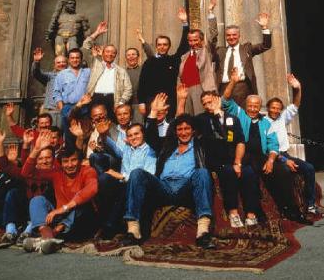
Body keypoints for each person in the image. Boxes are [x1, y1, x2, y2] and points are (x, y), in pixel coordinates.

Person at [222, 68, 310, 224]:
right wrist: (233, 81)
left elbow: (273, 144)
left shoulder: (265, 123)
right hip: (244, 156)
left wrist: (270, 161)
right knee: (251, 175)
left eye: (256, 106)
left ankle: (292, 211)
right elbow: (225, 100)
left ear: (260, 107)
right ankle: (258, 213)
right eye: (250, 105)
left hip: (262, 157)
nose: (253, 108)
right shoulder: (240, 114)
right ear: (246, 105)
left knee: (282, 171)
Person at [121, 114, 215, 249]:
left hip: (185, 187)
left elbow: (218, 140)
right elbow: (150, 136)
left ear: (193, 130)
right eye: (180, 129)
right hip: (163, 187)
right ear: (175, 132)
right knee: (137, 173)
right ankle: (133, 231)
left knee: (202, 172)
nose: (183, 132)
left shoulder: (201, 146)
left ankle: (203, 233)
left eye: (187, 129)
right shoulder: (167, 146)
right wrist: (153, 113)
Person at [189, 88, 261, 228]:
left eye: (210, 101)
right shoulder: (201, 119)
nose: (207, 105)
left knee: (250, 173)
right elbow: (221, 139)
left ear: (217, 100)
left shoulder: (232, 118)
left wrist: (238, 162)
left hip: (233, 158)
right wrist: (216, 115)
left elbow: (240, 141)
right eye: (204, 103)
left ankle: (251, 214)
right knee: (228, 172)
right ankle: (233, 213)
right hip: (217, 160)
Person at [21, 132, 99, 254]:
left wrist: (64, 208)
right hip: (60, 217)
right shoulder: (56, 173)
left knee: (82, 205)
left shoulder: (88, 170)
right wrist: (36, 150)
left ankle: (50, 236)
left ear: (80, 161)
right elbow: (26, 173)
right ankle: (47, 235)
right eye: (65, 161)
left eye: (73, 160)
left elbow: (92, 189)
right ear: (61, 163)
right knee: (37, 200)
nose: (69, 165)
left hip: (80, 219)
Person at [0, 127, 55, 248]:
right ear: (35, 161)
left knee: (39, 200)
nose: (44, 161)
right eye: (40, 158)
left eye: (48, 158)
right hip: (25, 211)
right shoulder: (30, 172)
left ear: (54, 159)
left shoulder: (56, 173)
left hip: (47, 214)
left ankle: (28, 232)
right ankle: (10, 232)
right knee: (13, 193)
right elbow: (5, 167)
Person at [266, 74, 318, 215]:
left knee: (309, 168)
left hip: (285, 154)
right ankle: (287, 208)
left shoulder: (282, 118)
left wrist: (297, 88)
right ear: (268, 108)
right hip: (273, 156)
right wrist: (284, 160)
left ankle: (311, 204)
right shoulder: (263, 122)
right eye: (273, 108)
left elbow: (295, 104)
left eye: (278, 108)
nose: (275, 110)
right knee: (286, 172)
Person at [99, 122, 157, 239]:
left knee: (123, 191)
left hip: (140, 187)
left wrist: (121, 176)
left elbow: (148, 176)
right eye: (130, 135)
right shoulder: (127, 148)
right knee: (104, 179)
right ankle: (102, 223)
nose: (133, 137)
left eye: (136, 134)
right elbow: (114, 148)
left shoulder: (150, 151)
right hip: (123, 184)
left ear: (143, 134)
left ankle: (111, 226)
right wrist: (104, 135)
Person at [137, 8, 189, 118]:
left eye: (165, 44)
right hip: (151, 101)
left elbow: (183, 46)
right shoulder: (149, 62)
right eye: (159, 44)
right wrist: (141, 103)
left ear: (169, 46)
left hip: (169, 100)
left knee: (168, 127)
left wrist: (185, 23)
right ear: (156, 46)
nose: (162, 47)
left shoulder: (173, 60)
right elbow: (142, 83)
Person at [214, 11, 271, 108]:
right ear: (225, 37)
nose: (231, 37)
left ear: (239, 36)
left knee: (243, 119)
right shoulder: (220, 51)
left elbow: (266, 46)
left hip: (242, 89)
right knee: (226, 119)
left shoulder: (246, 49)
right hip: (224, 88)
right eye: (228, 35)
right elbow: (211, 42)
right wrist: (211, 15)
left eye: (234, 35)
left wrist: (264, 28)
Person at [82, 21, 133, 118]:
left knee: (111, 127)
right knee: (95, 127)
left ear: (115, 55)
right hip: (95, 98)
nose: (110, 54)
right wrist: (97, 33)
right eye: (107, 51)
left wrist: (121, 102)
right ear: (103, 53)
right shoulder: (95, 64)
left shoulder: (121, 71)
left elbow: (128, 89)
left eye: (113, 53)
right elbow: (86, 45)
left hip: (113, 100)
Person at [177, 0, 218, 115]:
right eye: (190, 41)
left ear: (201, 40)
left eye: (195, 40)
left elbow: (213, 34)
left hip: (201, 88)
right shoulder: (184, 56)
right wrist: (184, 22)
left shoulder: (206, 51)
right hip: (185, 91)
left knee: (202, 118)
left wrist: (210, 12)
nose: (193, 43)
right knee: (188, 120)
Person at [53, 47, 91, 148]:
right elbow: (57, 93)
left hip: (85, 109)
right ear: (69, 60)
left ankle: (82, 158)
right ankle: (70, 159)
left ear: (81, 59)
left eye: (77, 58)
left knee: (85, 134)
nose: (75, 60)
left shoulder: (88, 72)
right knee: (70, 136)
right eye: (72, 58)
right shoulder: (61, 74)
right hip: (68, 108)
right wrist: (62, 109)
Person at [31, 47, 68, 128]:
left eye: (63, 62)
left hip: (66, 113)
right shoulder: (50, 76)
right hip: (50, 114)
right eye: (58, 62)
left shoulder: (72, 77)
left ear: (67, 64)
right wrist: (37, 61)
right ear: (54, 65)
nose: (61, 64)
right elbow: (36, 73)